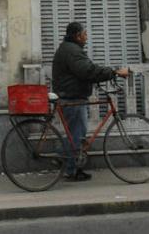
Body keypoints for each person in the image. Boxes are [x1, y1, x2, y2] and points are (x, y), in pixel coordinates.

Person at [51, 21, 129, 181]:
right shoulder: (73, 51)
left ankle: (73, 169)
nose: (86, 38)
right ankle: (62, 158)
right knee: (76, 135)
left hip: (72, 95)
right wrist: (113, 72)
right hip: (72, 97)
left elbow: (84, 71)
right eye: (84, 34)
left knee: (76, 134)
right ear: (77, 36)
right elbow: (87, 70)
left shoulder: (69, 49)